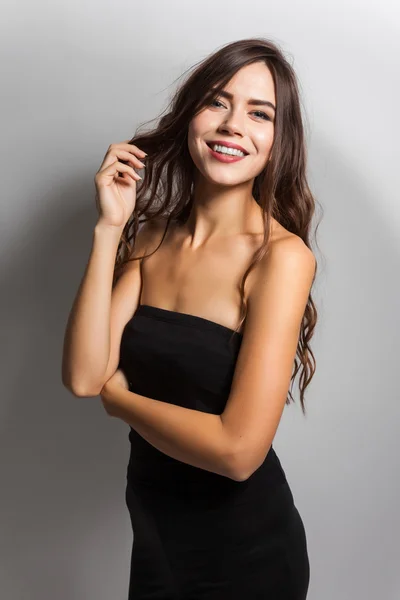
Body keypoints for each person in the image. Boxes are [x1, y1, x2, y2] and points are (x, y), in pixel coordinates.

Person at [62, 37, 319, 599]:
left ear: (278, 142)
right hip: (155, 539)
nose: (233, 125)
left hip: (247, 556)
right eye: (216, 102)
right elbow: (84, 375)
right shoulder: (151, 239)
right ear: (189, 118)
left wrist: (121, 400)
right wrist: (110, 229)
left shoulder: (281, 257)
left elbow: (238, 451)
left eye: (259, 113)